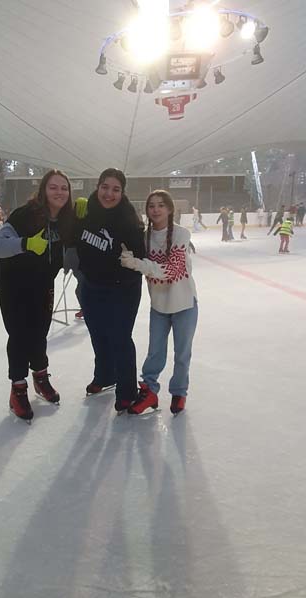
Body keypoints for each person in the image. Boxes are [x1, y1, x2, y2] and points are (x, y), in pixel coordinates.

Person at [0, 169, 74, 422]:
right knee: (19, 336)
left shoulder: (68, 221)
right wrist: (25, 243)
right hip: (16, 285)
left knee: (39, 333)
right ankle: (18, 389)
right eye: (53, 187)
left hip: (43, 285)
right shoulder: (24, 216)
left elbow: (73, 251)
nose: (59, 192)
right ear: (43, 190)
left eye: (64, 188)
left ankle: (40, 378)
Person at [120, 190, 198, 416]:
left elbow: (172, 271)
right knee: (155, 352)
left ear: (170, 209)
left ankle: (179, 392)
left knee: (182, 354)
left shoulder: (181, 234)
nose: (155, 209)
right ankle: (150, 391)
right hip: (159, 305)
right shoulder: (144, 236)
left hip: (184, 304)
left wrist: (136, 264)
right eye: (151, 205)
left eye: (161, 205)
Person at [74, 168, 146, 413]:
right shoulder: (85, 211)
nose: (109, 193)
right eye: (105, 187)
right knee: (98, 334)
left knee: (120, 338)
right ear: (98, 186)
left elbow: (141, 259)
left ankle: (127, 391)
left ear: (122, 192)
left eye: (116, 189)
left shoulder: (129, 220)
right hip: (91, 286)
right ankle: (105, 375)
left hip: (122, 290)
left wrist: (131, 261)